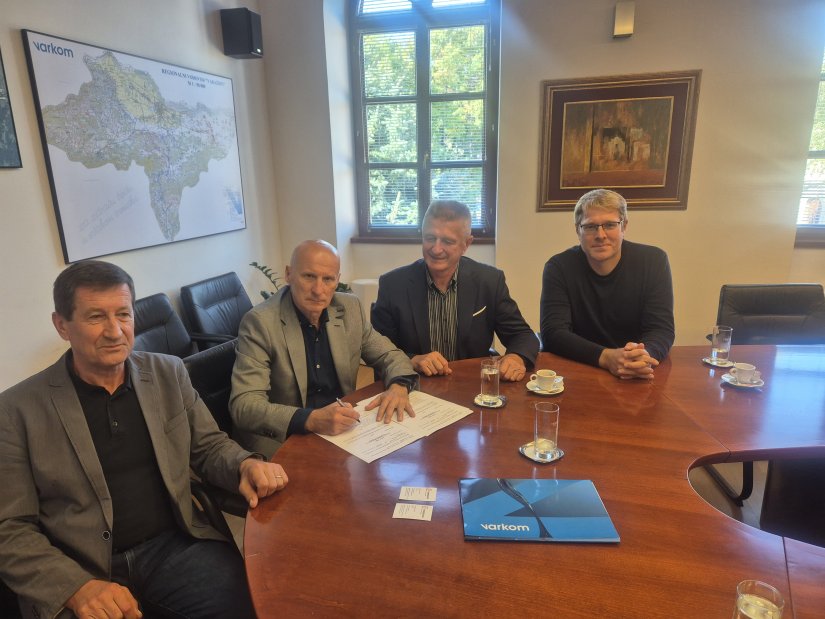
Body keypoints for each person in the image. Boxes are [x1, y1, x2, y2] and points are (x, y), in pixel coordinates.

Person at [0, 260, 287, 619]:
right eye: (95, 317)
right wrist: (75, 587)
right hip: (81, 567)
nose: (115, 331)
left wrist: (244, 465)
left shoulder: (167, 372)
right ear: (62, 325)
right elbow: (10, 528)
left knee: (255, 603)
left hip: (173, 548)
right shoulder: (16, 410)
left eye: (123, 314)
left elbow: (209, 446)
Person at [230, 240, 417, 457]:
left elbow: (390, 355)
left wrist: (399, 386)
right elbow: (245, 405)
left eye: (328, 279)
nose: (318, 290)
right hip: (286, 437)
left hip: (341, 432)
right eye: (309, 276)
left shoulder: (349, 309)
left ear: (337, 280)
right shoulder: (261, 322)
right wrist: (310, 419)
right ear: (289, 274)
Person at [371, 200, 538, 381]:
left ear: (466, 244)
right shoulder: (393, 285)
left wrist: (516, 357)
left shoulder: (489, 281)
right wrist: (412, 360)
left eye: (447, 241)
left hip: (472, 384)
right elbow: (379, 351)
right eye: (430, 238)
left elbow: (522, 336)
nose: (436, 249)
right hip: (417, 384)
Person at [540, 188, 675, 379]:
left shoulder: (654, 261)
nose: (600, 235)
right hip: (579, 370)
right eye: (590, 226)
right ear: (578, 230)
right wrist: (606, 357)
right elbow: (554, 333)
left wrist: (643, 357)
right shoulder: (558, 267)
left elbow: (661, 329)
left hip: (636, 373)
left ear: (624, 226)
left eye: (610, 225)